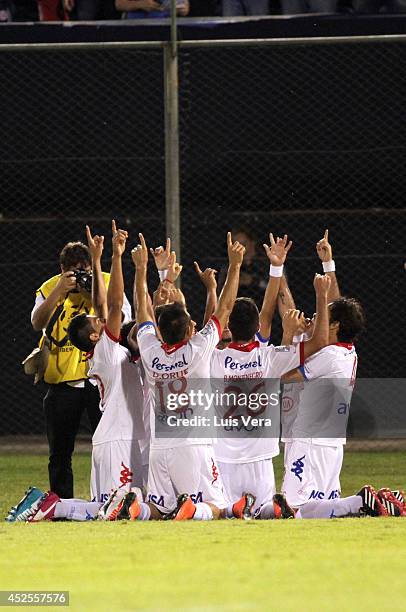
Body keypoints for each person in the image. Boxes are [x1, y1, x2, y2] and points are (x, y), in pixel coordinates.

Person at [126, 231, 252, 521]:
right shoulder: (197, 350)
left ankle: (136, 507)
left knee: (159, 509)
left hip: (161, 446)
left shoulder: (150, 350)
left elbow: (144, 312)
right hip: (194, 444)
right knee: (217, 506)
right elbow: (225, 308)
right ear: (187, 331)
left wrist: (141, 269)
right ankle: (193, 510)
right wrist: (234, 266)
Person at [210, 235, 333, 516]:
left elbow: (225, 312)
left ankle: (233, 511)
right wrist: (277, 268)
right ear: (256, 328)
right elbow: (318, 338)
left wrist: (234, 267)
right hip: (260, 458)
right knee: (264, 515)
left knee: (223, 514)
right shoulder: (268, 358)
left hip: (224, 456)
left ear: (228, 325)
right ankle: (268, 509)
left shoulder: (212, 359)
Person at [31, 236, 131, 499]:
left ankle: (111, 497)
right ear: (62, 270)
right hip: (63, 382)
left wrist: (92, 290)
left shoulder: (106, 281)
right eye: (72, 271)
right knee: (60, 453)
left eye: (83, 270)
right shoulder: (50, 287)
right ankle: (62, 504)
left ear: (90, 266)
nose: (79, 275)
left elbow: (124, 317)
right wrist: (59, 292)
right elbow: (37, 322)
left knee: (109, 445)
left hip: (100, 384)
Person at [115, 0, 189, 19]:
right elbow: (118, 4)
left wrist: (182, 9)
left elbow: (185, 8)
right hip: (137, 28)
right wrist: (139, 4)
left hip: (167, 30)